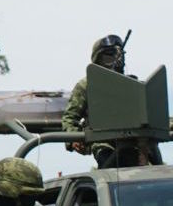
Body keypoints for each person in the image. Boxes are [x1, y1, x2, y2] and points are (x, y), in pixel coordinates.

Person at [63, 34, 152, 167]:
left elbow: (148, 112)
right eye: (110, 54)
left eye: (120, 54)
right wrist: (74, 139)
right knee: (111, 173)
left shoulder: (132, 84)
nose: (117, 58)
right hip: (103, 141)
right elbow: (70, 117)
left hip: (136, 142)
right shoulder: (88, 84)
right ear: (98, 58)